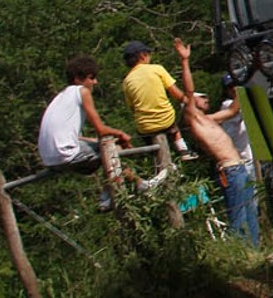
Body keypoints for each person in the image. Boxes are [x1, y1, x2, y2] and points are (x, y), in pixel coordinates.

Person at [174, 38, 260, 245]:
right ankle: (241, 252)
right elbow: (188, 91)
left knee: (250, 213)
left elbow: (233, 111)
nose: (204, 99)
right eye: (199, 97)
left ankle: (255, 250)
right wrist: (185, 61)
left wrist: (243, 80)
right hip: (229, 169)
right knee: (238, 216)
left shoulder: (208, 119)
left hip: (239, 167)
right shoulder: (193, 119)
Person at [37, 55, 132, 198]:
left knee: (101, 147)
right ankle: (111, 194)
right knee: (114, 148)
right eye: (91, 78)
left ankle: (137, 183)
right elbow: (101, 129)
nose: (95, 82)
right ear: (78, 79)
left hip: (49, 159)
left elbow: (76, 138)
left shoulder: (59, 98)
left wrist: (94, 141)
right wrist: (121, 134)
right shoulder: (82, 91)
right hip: (66, 155)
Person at [120, 39, 194, 157]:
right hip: (166, 120)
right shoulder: (157, 69)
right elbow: (176, 94)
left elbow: (132, 107)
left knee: (144, 131)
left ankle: (156, 158)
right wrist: (187, 100)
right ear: (143, 55)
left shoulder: (127, 81)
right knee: (174, 128)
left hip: (145, 127)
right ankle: (183, 150)